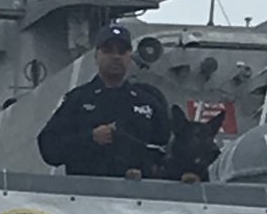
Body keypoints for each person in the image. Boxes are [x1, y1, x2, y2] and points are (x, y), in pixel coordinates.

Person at [37, 24, 170, 177]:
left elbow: (165, 150)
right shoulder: (78, 100)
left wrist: (145, 166)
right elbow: (49, 148)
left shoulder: (148, 102)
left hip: (137, 195)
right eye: (108, 50)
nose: (116, 57)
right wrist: (90, 138)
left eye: (122, 51)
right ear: (96, 55)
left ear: (130, 56)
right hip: (87, 194)